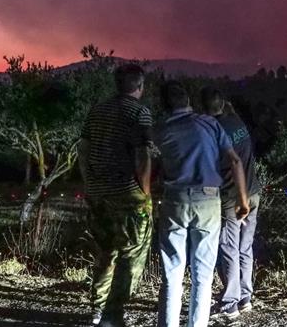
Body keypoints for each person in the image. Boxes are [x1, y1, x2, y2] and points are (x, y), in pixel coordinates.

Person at [155, 81, 250, 327]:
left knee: (172, 273)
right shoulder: (210, 124)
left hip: (174, 199)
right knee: (203, 275)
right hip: (208, 200)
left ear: (165, 105)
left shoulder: (161, 129)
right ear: (189, 102)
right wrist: (242, 200)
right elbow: (235, 162)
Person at [78, 64, 154, 327]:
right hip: (128, 197)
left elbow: (83, 150)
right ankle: (115, 313)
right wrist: (145, 192)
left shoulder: (97, 111)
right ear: (140, 86)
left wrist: (89, 183)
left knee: (104, 254)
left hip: (98, 195)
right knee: (131, 256)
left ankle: (97, 309)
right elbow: (142, 155)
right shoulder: (140, 113)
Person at [200, 88, 260, 320]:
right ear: (223, 104)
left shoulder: (214, 130)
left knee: (228, 248)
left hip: (232, 197)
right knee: (245, 247)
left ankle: (229, 303)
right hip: (254, 192)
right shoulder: (237, 122)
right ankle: (245, 297)